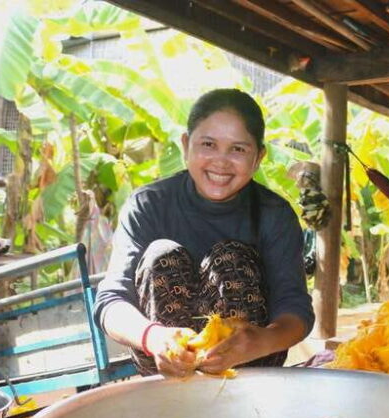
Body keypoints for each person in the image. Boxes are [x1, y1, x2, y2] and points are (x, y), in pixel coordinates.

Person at [94, 89, 314, 378]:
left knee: (231, 257)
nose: (221, 161)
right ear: (186, 145)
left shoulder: (274, 214)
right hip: (167, 371)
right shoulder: (148, 205)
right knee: (163, 253)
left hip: (250, 371)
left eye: (238, 149)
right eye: (208, 144)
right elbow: (111, 301)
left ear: (258, 157)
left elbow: (295, 308)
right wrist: (154, 338)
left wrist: (261, 340)